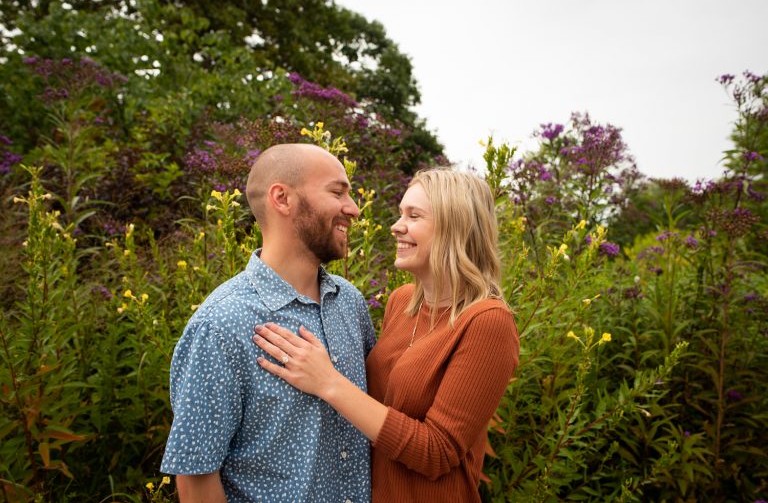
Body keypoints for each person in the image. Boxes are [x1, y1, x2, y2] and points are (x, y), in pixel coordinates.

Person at [254, 168, 520, 503]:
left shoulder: (487, 322)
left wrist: (328, 382)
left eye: (414, 216)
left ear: (456, 227)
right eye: (400, 214)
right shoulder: (402, 302)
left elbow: (437, 453)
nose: (397, 226)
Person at [160, 144, 377, 503]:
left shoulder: (349, 303)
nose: (353, 209)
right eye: (337, 192)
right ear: (282, 198)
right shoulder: (221, 325)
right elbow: (197, 482)